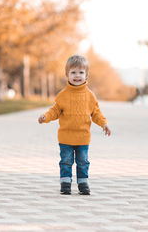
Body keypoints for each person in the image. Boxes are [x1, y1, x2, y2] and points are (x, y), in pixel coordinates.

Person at [38, 55, 111, 195]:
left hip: (82, 137)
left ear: (87, 75)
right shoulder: (63, 95)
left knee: (83, 161)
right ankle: (65, 182)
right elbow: (55, 111)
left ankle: (83, 183)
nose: (77, 76)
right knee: (66, 161)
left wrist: (104, 124)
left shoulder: (90, 96)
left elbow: (96, 113)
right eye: (73, 72)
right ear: (67, 75)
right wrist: (45, 117)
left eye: (81, 72)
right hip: (66, 137)